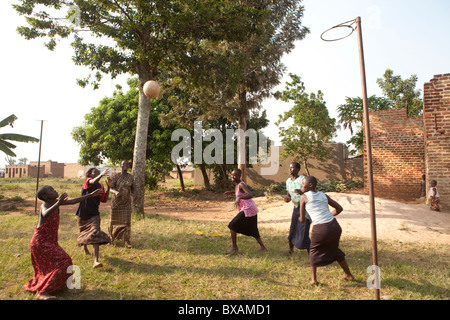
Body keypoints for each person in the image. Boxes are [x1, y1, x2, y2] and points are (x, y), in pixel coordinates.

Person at [24, 185, 101, 300]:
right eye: (51, 190)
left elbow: (72, 201)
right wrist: (58, 203)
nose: (54, 190)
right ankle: (43, 293)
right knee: (64, 260)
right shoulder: (45, 205)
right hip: (40, 242)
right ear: (45, 196)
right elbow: (45, 214)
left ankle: (61, 286)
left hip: (50, 241)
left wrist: (90, 195)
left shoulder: (56, 203)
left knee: (57, 264)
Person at [299, 176, 354, 285]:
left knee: (313, 251)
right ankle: (348, 274)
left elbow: (302, 219)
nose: (301, 186)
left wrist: (300, 219)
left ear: (310, 185)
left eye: (302, 184)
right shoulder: (324, 195)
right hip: (334, 226)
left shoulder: (304, 197)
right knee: (334, 249)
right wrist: (329, 215)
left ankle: (313, 279)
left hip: (320, 229)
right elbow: (339, 208)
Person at [223, 169, 267, 255]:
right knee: (253, 229)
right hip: (250, 208)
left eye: (235, 175)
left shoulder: (241, 184)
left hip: (248, 208)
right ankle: (263, 248)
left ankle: (234, 248)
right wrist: (231, 192)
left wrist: (239, 198)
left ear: (239, 176)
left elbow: (250, 194)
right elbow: (240, 192)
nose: (233, 177)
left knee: (232, 225)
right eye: (232, 175)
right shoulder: (237, 184)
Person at [76, 167, 111, 268]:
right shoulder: (88, 182)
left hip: (94, 214)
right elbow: (93, 181)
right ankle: (85, 248)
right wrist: (102, 174)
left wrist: (108, 187)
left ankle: (96, 260)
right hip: (83, 212)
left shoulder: (100, 186)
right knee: (84, 232)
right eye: (94, 172)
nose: (96, 173)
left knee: (95, 232)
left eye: (98, 172)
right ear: (89, 174)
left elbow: (104, 200)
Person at [284, 162, 311, 256]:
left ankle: (311, 255)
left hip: (305, 209)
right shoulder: (288, 181)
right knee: (293, 229)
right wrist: (287, 198)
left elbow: (310, 193)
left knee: (303, 231)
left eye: (292, 168)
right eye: (289, 167)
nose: (290, 169)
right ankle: (290, 250)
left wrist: (302, 193)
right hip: (296, 208)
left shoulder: (302, 179)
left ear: (298, 169)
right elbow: (288, 195)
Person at [108, 160, 135, 248]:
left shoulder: (131, 177)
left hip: (126, 202)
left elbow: (133, 188)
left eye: (127, 164)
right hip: (116, 203)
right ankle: (111, 238)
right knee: (113, 221)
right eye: (124, 164)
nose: (126, 165)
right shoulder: (116, 176)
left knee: (127, 222)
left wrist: (135, 195)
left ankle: (126, 240)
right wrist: (115, 192)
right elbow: (110, 188)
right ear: (121, 165)